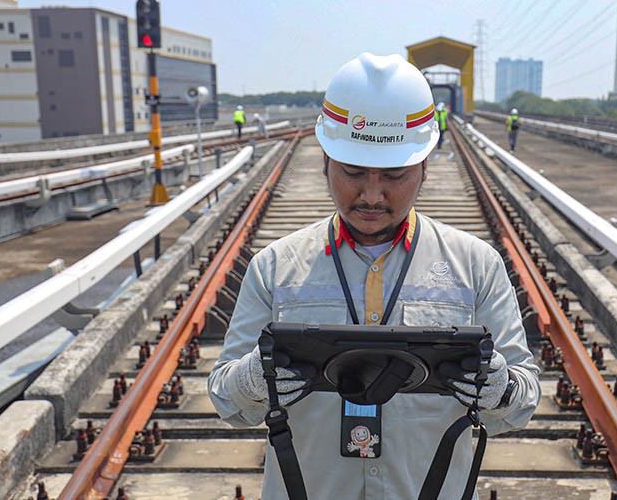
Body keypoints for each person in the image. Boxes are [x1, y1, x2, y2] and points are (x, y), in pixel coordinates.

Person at [208, 53, 540, 499]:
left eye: (394, 175)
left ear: (425, 165)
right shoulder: (275, 266)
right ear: (324, 159)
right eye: (352, 172)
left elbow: (522, 401)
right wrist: (251, 381)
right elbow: (227, 401)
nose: (370, 194)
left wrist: (500, 389)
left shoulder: (476, 265)